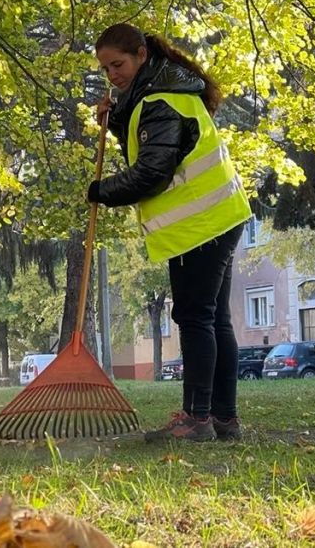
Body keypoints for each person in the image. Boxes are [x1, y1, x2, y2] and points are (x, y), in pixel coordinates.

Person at [88, 23, 253, 442]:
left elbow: (152, 172)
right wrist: (114, 121)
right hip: (221, 216)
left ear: (142, 54)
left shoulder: (162, 100)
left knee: (196, 318)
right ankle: (223, 419)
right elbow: (151, 141)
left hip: (199, 225)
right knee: (215, 320)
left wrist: (100, 191)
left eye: (118, 64)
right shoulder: (167, 93)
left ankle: (197, 419)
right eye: (106, 69)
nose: (112, 75)